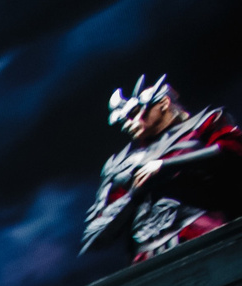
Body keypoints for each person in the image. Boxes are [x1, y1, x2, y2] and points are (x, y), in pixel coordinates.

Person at [83, 76, 240, 265]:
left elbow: (231, 152)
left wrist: (165, 166)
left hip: (211, 240)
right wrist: (134, 194)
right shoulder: (122, 165)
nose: (127, 124)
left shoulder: (204, 125)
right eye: (123, 119)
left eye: (134, 113)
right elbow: (95, 236)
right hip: (149, 261)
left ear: (163, 103)